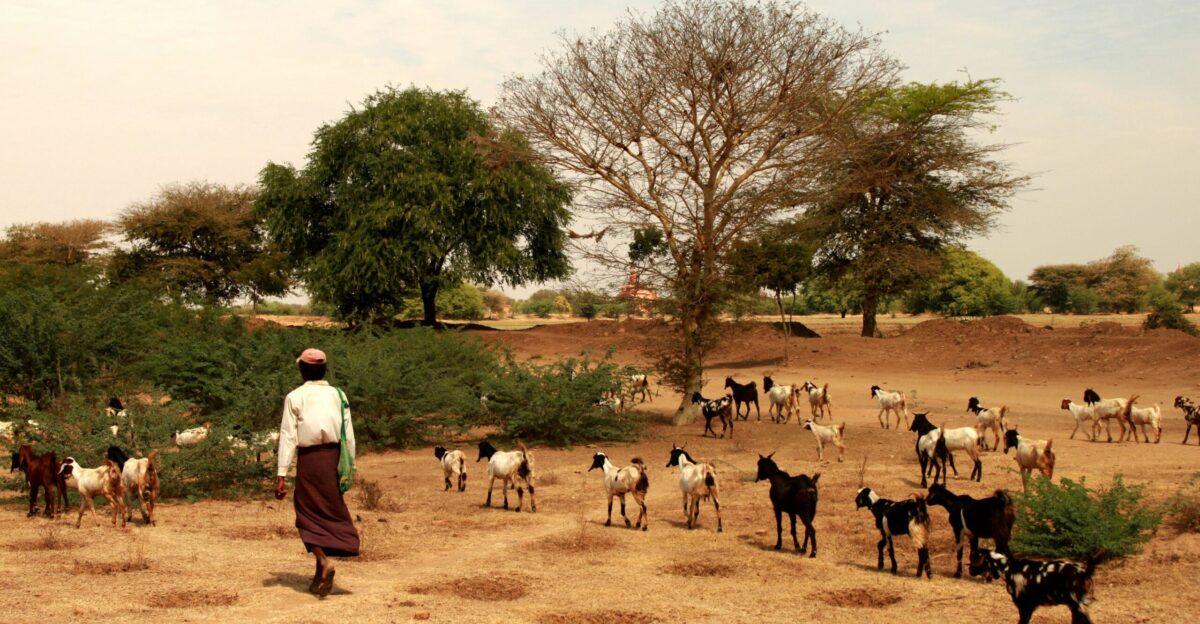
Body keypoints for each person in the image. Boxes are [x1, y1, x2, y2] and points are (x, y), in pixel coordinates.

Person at [274, 348, 359, 597]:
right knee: (331, 509)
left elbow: (289, 437)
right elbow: (348, 434)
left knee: (306, 511)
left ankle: (323, 560)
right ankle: (318, 574)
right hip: (333, 459)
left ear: (302, 370)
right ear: (324, 369)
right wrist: (348, 466)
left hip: (310, 461)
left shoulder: (294, 396)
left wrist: (282, 474)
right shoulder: (338, 395)